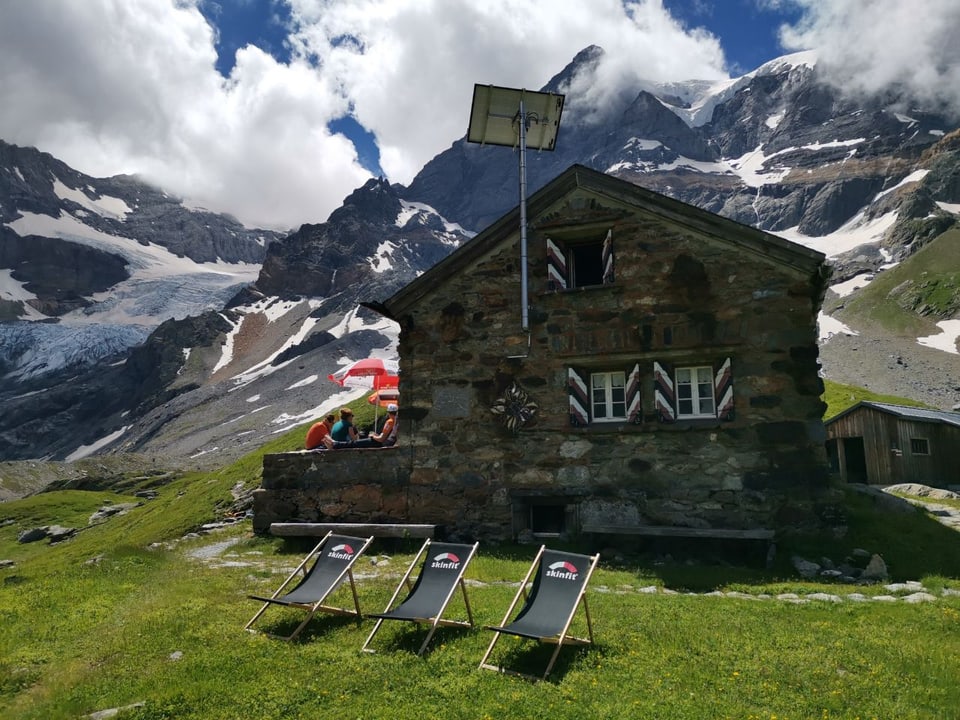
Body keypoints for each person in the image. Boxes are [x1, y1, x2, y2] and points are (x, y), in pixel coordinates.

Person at [323, 404, 398, 449]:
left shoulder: (390, 421)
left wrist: (373, 436)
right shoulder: (396, 421)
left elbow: (381, 439)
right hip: (387, 442)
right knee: (359, 441)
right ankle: (336, 444)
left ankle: (336, 444)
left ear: (388, 412)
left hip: (381, 443)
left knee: (356, 443)